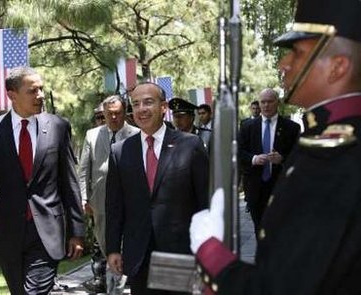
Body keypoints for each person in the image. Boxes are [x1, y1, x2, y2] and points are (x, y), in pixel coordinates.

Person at [190, 0, 361, 294]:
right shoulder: (324, 140)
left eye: (297, 53)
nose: (284, 64)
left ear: (337, 67)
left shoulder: (335, 157)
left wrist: (212, 256)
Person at [0, 66, 85, 294]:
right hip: (10, 234)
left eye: (41, 89)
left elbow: (69, 181)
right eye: (33, 91)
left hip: (47, 232)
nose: (40, 95)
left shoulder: (58, 127)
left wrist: (77, 231)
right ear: (12, 94)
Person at [106, 82, 209, 295]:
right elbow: (114, 206)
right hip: (138, 253)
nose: (141, 109)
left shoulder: (190, 145)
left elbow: (204, 201)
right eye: (136, 104)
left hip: (178, 250)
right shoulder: (120, 151)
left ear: (163, 107)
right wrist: (113, 248)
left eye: (148, 102)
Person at [78, 95, 139, 294]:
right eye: (109, 114)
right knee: (106, 248)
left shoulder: (136, 135)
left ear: (124, 113)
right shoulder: (92, 135)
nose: (113, 117)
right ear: (103, 114)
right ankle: (115, 282)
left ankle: (117, 289)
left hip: (129, 204)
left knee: (120, 250)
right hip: (100, 203)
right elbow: (84, 170)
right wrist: (84, 198)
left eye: (118, 113)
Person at [239, 88, 300, 234]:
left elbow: (300, 155)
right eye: (263, 102)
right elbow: (238, 151)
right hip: (255, 187)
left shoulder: (291, 128)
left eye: (270, 102)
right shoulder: (248, 126)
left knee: (281, 230)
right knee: (259, 229)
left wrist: (282, 159)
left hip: (281, 188)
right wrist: (253, 158)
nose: (266, 105)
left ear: (277, 103)